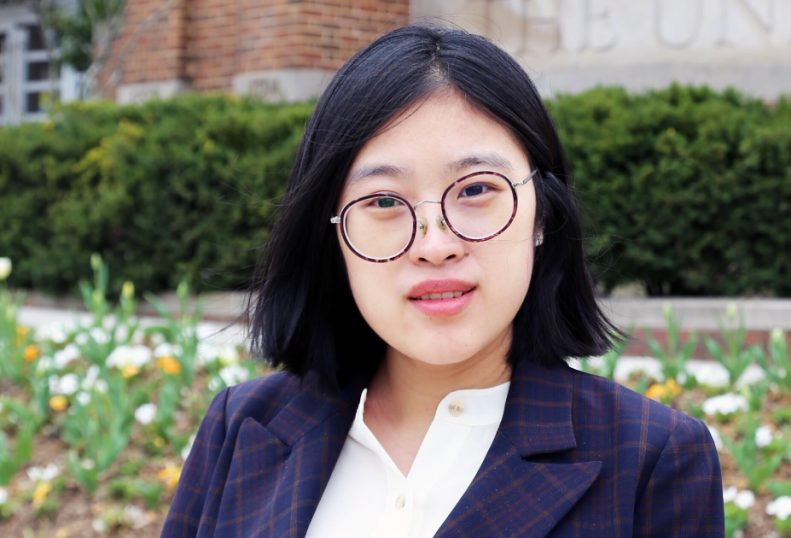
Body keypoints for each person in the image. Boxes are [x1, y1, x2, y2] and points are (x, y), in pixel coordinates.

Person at [161, 24, 723, 538]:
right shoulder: (242, 429)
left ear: (542, 216)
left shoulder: (653, 459)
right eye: (383, 200)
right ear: (333, 233)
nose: (435, 245)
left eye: (477, 190)